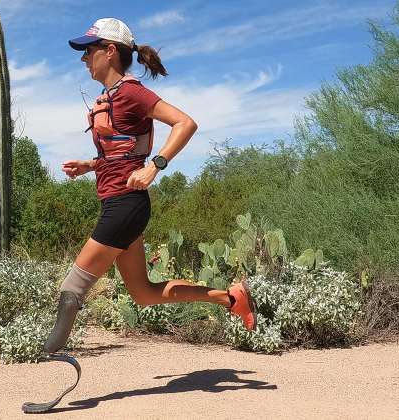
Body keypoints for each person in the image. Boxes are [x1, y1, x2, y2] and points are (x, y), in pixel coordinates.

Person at [43, 18, 256, 354]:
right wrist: (92, 164)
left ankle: (46, 358)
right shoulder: (110, 96)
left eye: (88, 50)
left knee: (72, 290)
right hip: (120, 202)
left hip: (126, 205)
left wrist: (155, 167)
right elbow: (126, 150)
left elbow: (185, 123)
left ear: (109, 52)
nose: (83, 58)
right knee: (143, 294)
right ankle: (231, 297)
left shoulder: (131, 92)